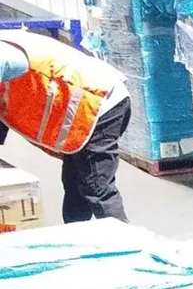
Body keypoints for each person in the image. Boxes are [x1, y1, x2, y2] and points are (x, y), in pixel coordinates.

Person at [0, 29, 131, 224]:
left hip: (99, 103)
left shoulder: (5, 56)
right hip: (82, 110)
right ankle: (75, 238)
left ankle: (126, 239)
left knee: (97, 187)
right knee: (74, 184)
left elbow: (11, 64)